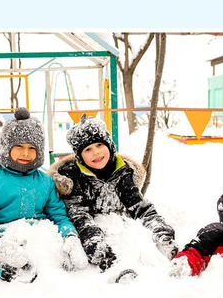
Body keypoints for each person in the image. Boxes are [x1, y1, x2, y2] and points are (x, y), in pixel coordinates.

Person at [49, 116, 177, 282]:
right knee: (102, 250)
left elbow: (139, 206)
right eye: (88, 149)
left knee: (140, 244)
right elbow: (78, 213)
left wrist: (160, 230)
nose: (96, 152)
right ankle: (115, 270)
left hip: (120, 225)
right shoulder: (73, 176)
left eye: (99, 145)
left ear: (109, 145)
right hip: (94, 229)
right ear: (79, 156)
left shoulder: (122, 171)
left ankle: (160, 267)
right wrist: (92, 237)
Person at [0, 108, 80, 283]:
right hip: (7, 241)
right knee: (17, 276)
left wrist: (70, 236)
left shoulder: (45, 181)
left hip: (41, 240)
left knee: (57, 276)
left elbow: (59, 216)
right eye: (19, 146)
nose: (25, 153)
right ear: (7, 147)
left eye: (32, 148)